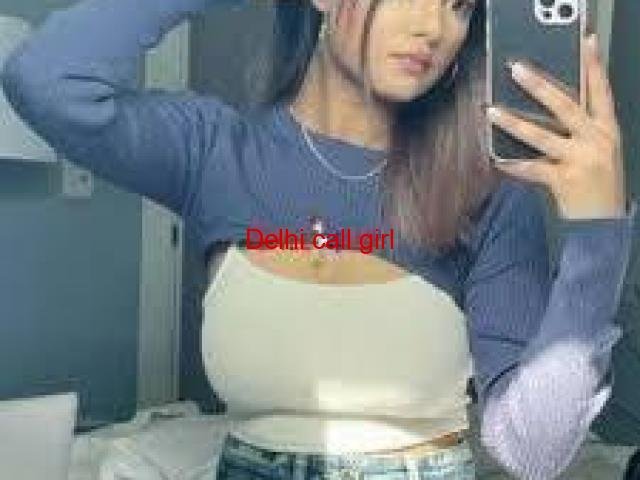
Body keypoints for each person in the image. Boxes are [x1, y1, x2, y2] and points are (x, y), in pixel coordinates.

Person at [1, 0, 637, 478]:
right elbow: (46, 79)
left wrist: (598, 234)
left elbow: (533, 450)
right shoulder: (216, 153)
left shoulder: (487, 192)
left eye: (460, 6)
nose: (436, 27)